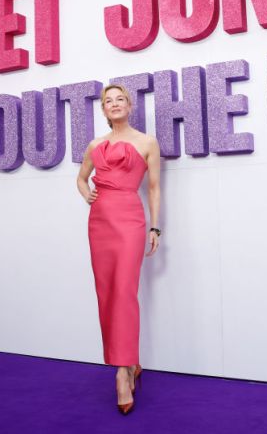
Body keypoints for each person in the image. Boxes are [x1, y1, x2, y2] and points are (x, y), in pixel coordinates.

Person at [76, 84, 161, 415]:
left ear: (129, 105)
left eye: (120, 99)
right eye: (108, 101)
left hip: (130, 221)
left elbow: (153, 187)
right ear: (104, 109)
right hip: (100, 222)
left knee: (124, 292)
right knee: (107, 293)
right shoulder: (95, 145)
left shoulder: (147, 142)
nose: (114, 104)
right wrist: (86, 193)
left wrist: (155, 227)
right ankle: (129, 361)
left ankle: (122, 373)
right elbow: (81, 178)